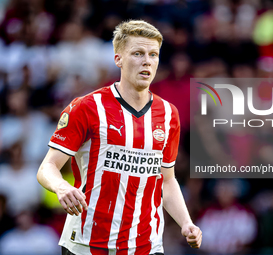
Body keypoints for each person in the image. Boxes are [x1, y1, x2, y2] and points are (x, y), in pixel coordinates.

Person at [37, 20, 202, 255]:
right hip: (87, 244)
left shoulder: (168, 114)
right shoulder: (86, 107)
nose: (147, 60)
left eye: (153, 54)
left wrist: (186, 222)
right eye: (138, 53)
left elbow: (166, 180)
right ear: (118, 59)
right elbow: (47, 167)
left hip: (146, 245)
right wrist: (61, 186)